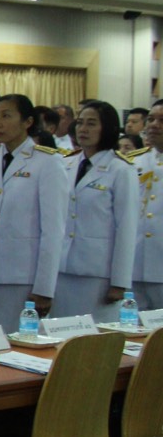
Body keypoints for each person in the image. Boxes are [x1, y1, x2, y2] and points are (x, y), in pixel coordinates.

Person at [0, 94, 68, 333]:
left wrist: (44, 287)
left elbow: (53, 230)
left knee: (16, 345)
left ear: (27, 122)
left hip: (22, 276)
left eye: (6, 116)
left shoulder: (47, 162)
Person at [51, 100, 138, 321]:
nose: (83, 129)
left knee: (93, 339)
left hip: (98, 272)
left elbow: (126, 228)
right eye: (80, 123)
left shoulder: (120, 169)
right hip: (62, 267)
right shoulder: (66, 164)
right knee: (62, 334)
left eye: (91, 124)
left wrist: (120, 281)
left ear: (107, 128)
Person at [132, 100, 163, 310]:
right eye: (151, 119)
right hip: (135, 262)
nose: (153, 125)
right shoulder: (134, 162)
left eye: (162, 121)